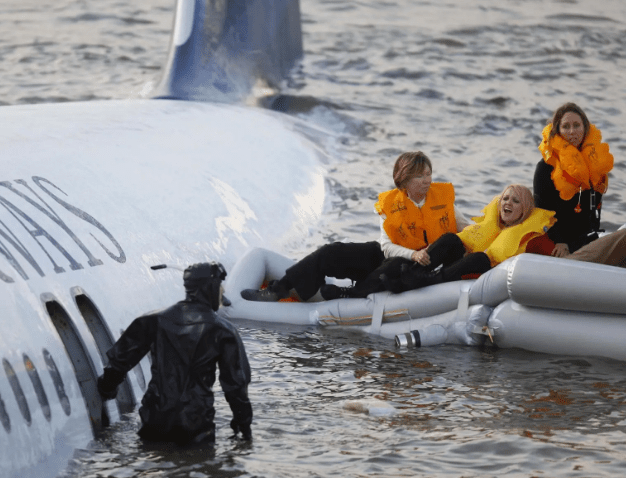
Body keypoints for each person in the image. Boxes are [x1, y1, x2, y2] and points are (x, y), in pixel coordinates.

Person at [241, 151, 471, 301]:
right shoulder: (390, 205)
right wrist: (412, 254)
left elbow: (468, 229)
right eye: (419, 176)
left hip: (417, 267)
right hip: (397, 254)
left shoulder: (443, 202)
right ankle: (279, 289)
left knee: (394, 266)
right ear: (403, 180)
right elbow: (386, 246)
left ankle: (350, 293)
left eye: (428, 174)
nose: (427, 180)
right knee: (332, 252)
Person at [96, 262, 252, 445]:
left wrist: (107, 389)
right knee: (197, 460)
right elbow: (236, 385)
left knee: (152, 455)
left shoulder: (151, 320)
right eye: (219, 286)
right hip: (195, 423)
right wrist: (243, 425)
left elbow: (118, 363)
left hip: (154, 419)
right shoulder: (224, 331)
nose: (222, 293)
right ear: (210, 288)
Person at [385, 184, 555, 292]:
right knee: (451, 239)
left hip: (486, 276)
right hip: (459, 268)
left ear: (525, 209)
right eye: (505, 198)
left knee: (480, 258)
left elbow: (556, 258)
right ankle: (413, 274)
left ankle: (428, 280)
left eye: (516, 201)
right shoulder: (494, 225)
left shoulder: (533, 237)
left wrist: (563, 247)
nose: (508, 203)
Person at [533, 102, 614, 256]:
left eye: (577, 125)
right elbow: (542, 209)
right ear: (558, 130)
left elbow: (595, 211)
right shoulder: (545, 167)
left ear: (585, 129)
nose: (572, 131)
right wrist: (560, 241)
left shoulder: (594, 166)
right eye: (566, 126)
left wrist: (592, 239)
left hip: (585, 241)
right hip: (555, 242)